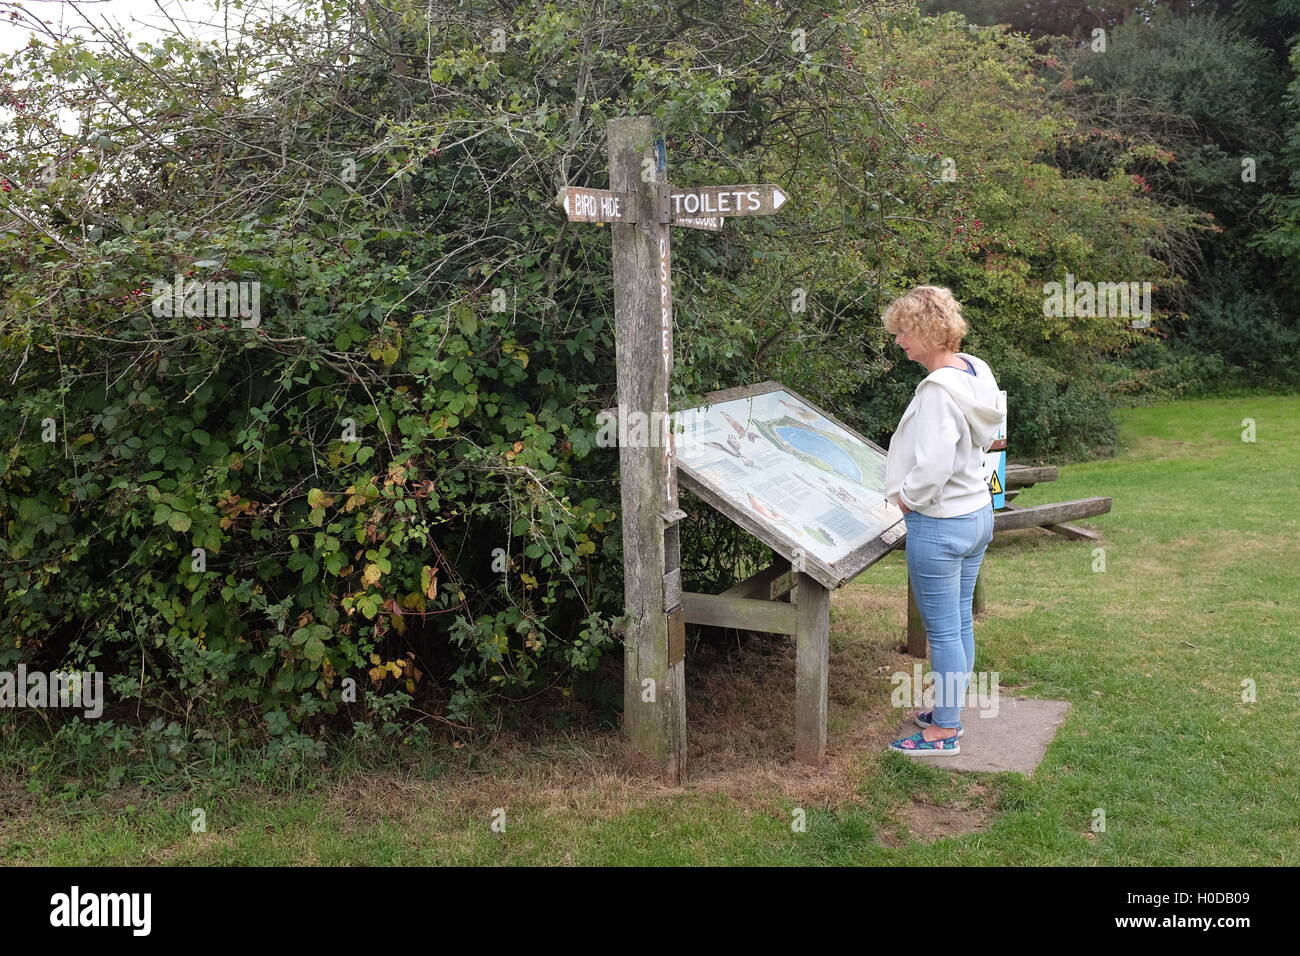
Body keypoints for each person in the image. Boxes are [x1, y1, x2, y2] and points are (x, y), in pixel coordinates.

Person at [880, 286, 1003, 756]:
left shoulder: (936, 391)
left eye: (904, 332)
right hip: (976, 514)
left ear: (927, 331)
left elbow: (932, 466)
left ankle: (944, 731)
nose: (898, 342)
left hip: (940, 522)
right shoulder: (975, 370)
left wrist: (908, 499)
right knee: (960, 625)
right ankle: (950, 711)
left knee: (945, 631)